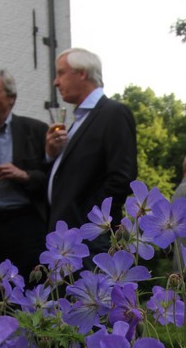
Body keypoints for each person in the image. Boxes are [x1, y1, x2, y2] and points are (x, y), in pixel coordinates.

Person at [44, 47, 138, 232]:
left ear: (82, 73)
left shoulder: (114, 113)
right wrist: (51, 155)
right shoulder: (80, 121)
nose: (56, 82)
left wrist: (90, 224)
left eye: (61, 73)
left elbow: (122, 177)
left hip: (89, 237)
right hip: (67, 237)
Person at [0, 68, 49, 281]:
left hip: (26, 226)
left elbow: (53, 180)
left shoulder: (36, 131)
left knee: (30, 288)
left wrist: (24, 175)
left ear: (11, 98)